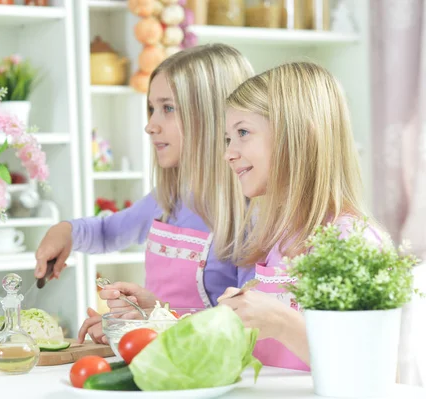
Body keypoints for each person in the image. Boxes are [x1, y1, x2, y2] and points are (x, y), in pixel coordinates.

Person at [33, 44, 255, 343]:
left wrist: (146, 324)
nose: (150, 126)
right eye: (151, 109)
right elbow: (107, 232)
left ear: (212, 116)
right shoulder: (167, 200)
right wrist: (66, 231)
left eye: (168, 108)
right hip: (165, 359)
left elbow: (243, 321)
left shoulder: (248, 216)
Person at [218, 62, 383, 371]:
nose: (228, 152)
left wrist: (281, 322)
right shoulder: (273, 238)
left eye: (243, 132)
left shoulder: (352, 242)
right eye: (229, 138)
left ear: (296, 136)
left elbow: (370, 370)